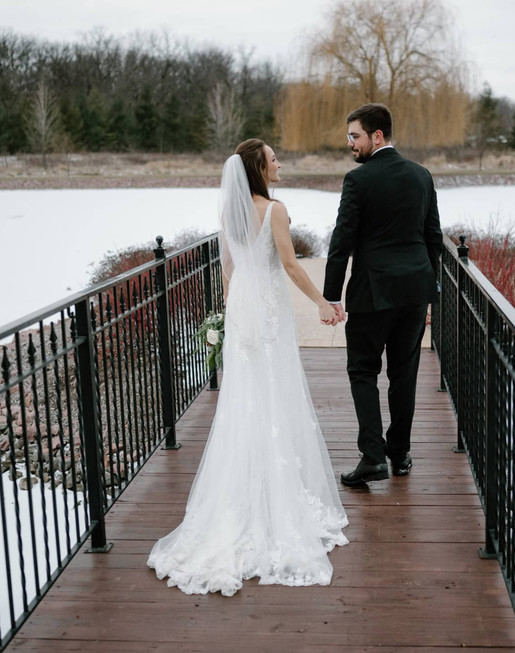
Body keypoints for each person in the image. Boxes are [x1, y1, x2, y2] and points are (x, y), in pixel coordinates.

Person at [147, 139, 348, 596]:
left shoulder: (230, 215)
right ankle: (275, 498)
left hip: (242, 308)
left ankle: (244, 490)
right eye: (274, 158)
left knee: (244, 397)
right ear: (259, 168)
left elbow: (227, 272)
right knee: (275, 391)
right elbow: (293, 266)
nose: (281, 162)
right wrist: (322, 302)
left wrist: (228, 312)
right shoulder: (275, 210)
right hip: (269, 310)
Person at [323, 103, 444, 487]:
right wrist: (430, 287)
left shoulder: (357, 181)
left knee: (363, 371)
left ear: (377, 136)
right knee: (403, 374)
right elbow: (433, 238)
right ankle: (401, 454)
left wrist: (331, 295)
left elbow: (341, 241)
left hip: (371, 293)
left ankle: (373, 457)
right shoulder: (421, 175)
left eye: (354, 136)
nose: (349, 144)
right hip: (413, 293)